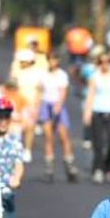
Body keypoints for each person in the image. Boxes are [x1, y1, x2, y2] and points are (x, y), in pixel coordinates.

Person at [83, 52, 110, 184]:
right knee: (99, 143)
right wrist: (87, 112)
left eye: (107, 62)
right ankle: (98, 168)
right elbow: (91, 94)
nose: (104, 64)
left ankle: (109, 166)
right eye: (101, 62)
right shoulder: (95, 76)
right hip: (97, 111)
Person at [38, 52, 78, 183]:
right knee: (49, 137)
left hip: (58, 105)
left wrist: (58, 106)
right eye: (50, 59)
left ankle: (69, 164)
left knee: (64, 136)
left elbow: (63, 92)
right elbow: (40, 91)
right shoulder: (43, 74)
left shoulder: (62, 75)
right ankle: (49, 166)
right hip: (46, 104)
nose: (53, 62)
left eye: (55, 59)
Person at [10, 49, 43, 161]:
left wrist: (37, 107)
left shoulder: (37, 73)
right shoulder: (16, 71)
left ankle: (27, 150)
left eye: (23, 61)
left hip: (31, 105)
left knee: (30, 128)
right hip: (18, 104)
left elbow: (39, 91)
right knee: (15, 127)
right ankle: (15, 150)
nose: (21, 63)